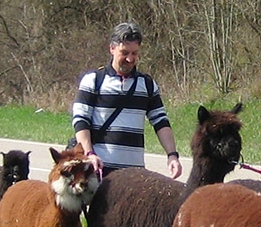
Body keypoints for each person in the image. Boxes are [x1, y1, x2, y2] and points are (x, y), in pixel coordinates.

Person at [72, 21, 181, 178]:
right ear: (112, 48)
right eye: (124, 53)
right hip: (99, 171)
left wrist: (172, 155)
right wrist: (89, 153)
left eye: (134, 53)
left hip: (134, 175)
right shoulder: (93, 81)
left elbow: (161, 122)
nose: (130, 59)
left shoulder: (147, 84)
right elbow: (81, 120)